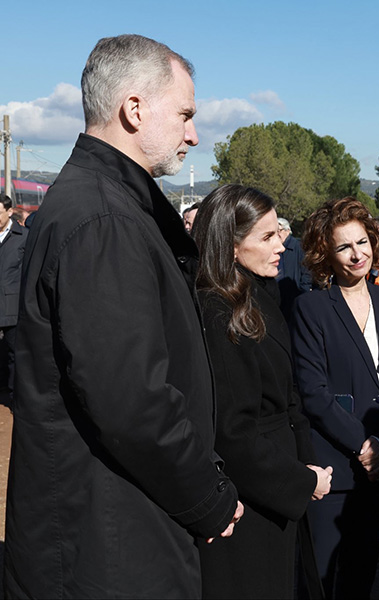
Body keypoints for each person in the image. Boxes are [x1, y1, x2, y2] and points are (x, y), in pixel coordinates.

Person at [3, 34, 242, 599]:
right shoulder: (103, 218)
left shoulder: (106, 205)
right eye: (185, 113)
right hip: (108, 538)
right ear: (133, 109)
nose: (194, 133)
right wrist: (207, 497)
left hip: (116, 520)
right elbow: (131, 399)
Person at [193, 184, 332, 599]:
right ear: (231, 247)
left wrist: (308, 466)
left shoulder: (258, 294)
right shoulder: (217, 312)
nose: (282, 244)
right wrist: (298, 480)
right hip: (250, 498)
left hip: (280, 479)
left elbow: (290, 400)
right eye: (267, 236)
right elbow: (233, 433)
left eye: (280, 232)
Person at [291, 197, 379, 600]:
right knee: (322, 578)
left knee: (362, 574)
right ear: (325, 253)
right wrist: (363, 445)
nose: (356, 254)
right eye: (344, 247)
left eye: (361, 242)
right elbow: (313, 392)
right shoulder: (310, 309)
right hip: (335, 465)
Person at [0, 195, 27, 394]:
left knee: (14, 353)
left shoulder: (23, 237)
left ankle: (13, 394)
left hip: (11, 305)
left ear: (9, 211)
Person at [276, 216, 314, 322]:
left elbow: (306, 271)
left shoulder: (299, 246)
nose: (277, 234)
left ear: (288, 231)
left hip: (294, 295)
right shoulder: (276, 248)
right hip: (278, 295)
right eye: (275, 231)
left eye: (279, 230)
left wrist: (303, 291)